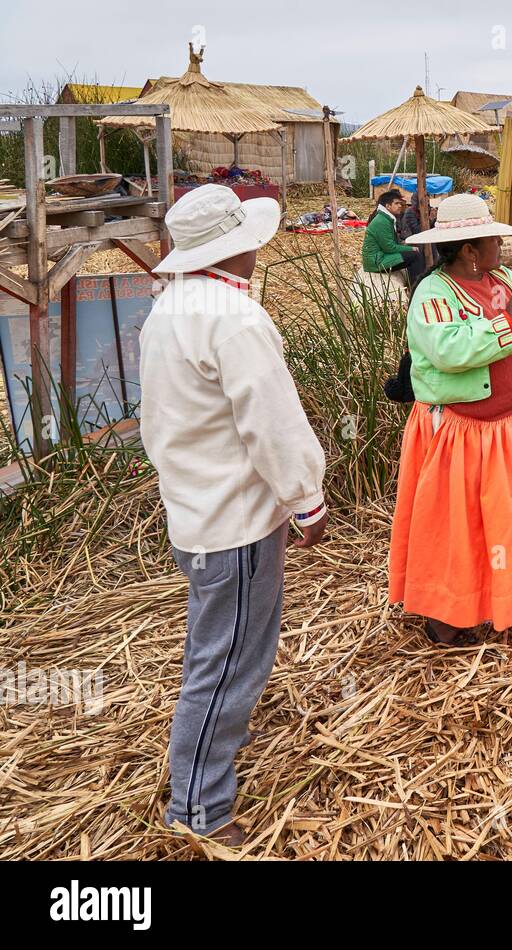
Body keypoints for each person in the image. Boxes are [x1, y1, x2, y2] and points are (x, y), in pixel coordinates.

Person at [138, 184, 329, 847]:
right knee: (224, 664)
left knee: (214, 647)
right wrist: (307, 499)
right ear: (238, 247)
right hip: (237, 524)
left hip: (192, 511)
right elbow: (272, 425)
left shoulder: (168, 310)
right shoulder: (236, 320)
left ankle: (211, 765)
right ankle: (200, 807)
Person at [389, 194, 512, 645]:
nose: (501, 251)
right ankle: (448, 611)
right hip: (467, 434)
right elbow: (450, 351)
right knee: (461, 524)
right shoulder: (432, 294)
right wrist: (508, 323)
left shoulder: (503, 277)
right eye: (494, 242)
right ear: (470, 249)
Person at [363, 189, 426, 292]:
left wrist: (406, 247)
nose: (400, 206)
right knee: (415, 256)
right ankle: (417, 289)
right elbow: (389, 248)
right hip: (376, 262)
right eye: (396, 203)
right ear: (388, 206)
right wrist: (410, 248)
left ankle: (414, 285)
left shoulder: (386, 218)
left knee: (414, 253)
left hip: (380, 256)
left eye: (400, 203)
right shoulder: (382, 221)